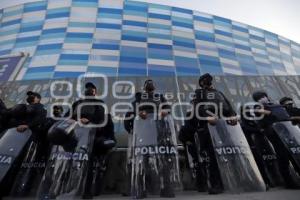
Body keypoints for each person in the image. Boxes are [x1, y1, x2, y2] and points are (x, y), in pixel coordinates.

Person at [185, 73, 237, 194]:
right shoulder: (199, 93)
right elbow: (198, 107)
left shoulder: (219, 93)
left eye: (208, 80)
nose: (206, 82)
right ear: (201, 83)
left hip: (223, 125)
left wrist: (233, 116)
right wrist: (206, 117)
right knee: (212, 157)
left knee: (230, 152)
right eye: (204, 80)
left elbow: (227, 105)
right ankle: (216, 184)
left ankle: (236, 181)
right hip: (208, 126)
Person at [70, 82, 115, 197]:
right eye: (87, 88)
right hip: (75, 137)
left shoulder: (100, 104)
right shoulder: (77, 103)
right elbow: (68, 118)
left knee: (88, 163)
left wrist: (89, 122)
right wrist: (77, 120)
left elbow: (102, 121)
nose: (89, 90)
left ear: (95, 92)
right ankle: (66, 189)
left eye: (92, 89)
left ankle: (86, 191)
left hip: (92, 138)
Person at [252, 91, 300, 189]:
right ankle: (288, 182)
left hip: (286, 132)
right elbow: (263, 113)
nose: (263, 98)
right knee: (282, 156)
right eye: (260, 98)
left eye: (263, 96)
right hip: (273, 133)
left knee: (293, 154)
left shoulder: (275, 105)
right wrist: (273, 112)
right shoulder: (257, 107)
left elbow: (286, 116)